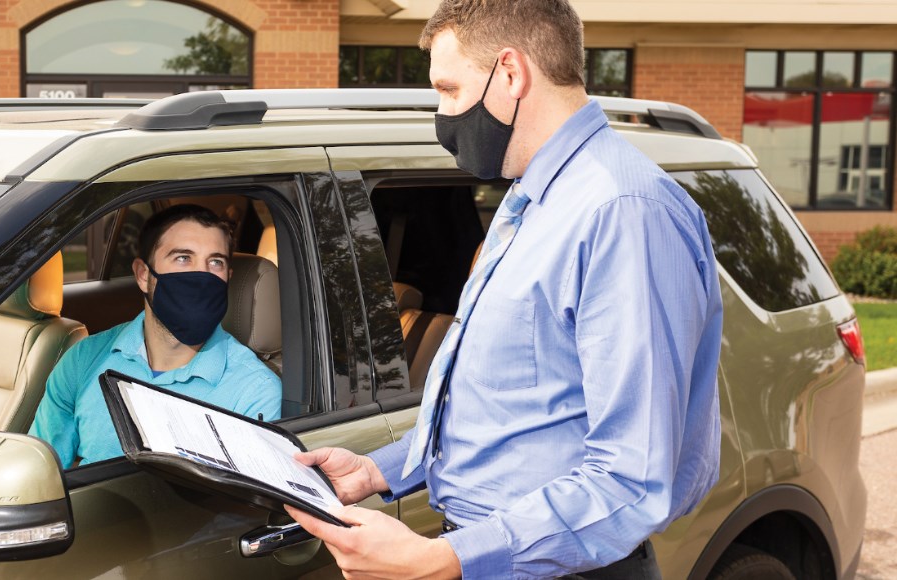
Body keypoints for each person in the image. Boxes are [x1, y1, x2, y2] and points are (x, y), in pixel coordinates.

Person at [284, 1, 724, 578]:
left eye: (448, 89)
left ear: (511, 74)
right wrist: (380, 470)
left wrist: (443, 560)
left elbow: (631, 478)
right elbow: (513, 409)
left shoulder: (622, 212)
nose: (442, 115)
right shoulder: (529, 199)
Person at [30, 204, 282, 467]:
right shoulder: (84, 359)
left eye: (215, 262)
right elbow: (40, 473)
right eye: (183, 258)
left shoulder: (255, 391)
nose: (201, 275)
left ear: (228, 277)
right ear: (143, 275)